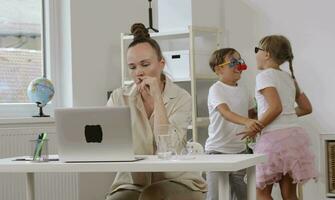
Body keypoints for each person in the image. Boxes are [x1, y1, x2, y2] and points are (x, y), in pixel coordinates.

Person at [105, 23, 207, 200]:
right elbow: (106, 142)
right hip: (133, 181)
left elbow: (170, 147)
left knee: (152, 195)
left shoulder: (182, 98)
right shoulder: (119, 97)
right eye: (132, 67)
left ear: (161, 64)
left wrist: (158, 98)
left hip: (179, 180)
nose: (139, 72)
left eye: (145, 64)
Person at [244, 35, 318, 200]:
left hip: (273, 140)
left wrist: (256, 126)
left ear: (267, 54)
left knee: (261, 192)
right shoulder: (289, 77)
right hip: (294, 139)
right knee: (290, 195)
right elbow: (306, 108)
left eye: (257, 50)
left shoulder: (263, 76)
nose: (255, 54)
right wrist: (288, 115)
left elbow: (275, 108)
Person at [205, 48, 264, 200]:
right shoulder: (216, 89)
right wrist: (247, 121)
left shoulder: (245, 89)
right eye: (233, 62)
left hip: (239, 152)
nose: (238, 65)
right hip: (216, 152)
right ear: (219, 69)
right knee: (215, 197)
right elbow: (226, 113)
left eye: (239, 61)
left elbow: (252, 114)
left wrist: (261, 121)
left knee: (243, 196)